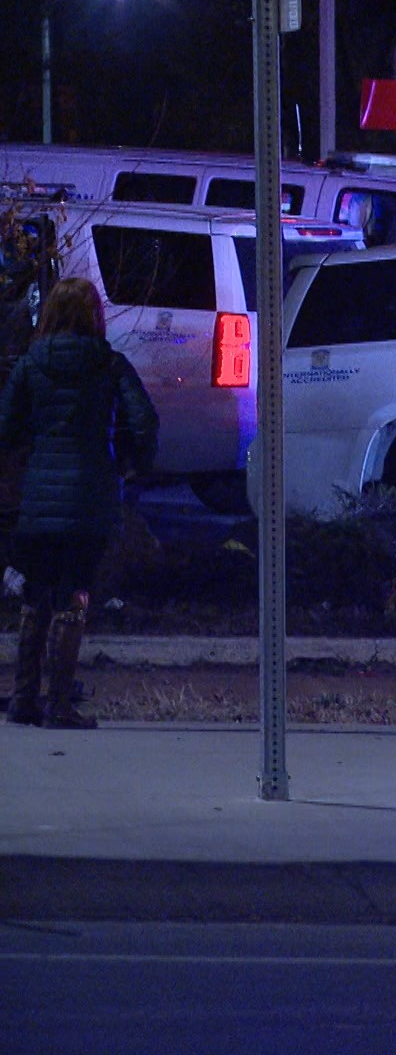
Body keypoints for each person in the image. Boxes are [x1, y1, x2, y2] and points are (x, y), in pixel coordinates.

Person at [1, 277, 157, 729]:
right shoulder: (109, 365)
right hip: (89, 497)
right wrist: (133, 464)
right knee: (74, 595)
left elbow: (6, 428)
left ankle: (23, 697)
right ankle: (58, 703)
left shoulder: (31, 365)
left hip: (40, 496)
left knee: (36, 594)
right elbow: (144, 423)